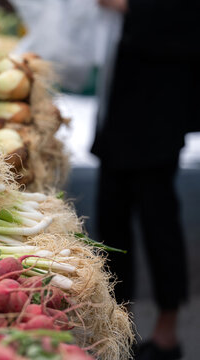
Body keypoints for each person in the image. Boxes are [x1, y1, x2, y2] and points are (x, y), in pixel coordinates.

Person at [92, 0, 200, 359]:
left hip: (159, 107)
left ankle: (168, 333)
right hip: (122, 99)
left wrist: (128, 7)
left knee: (158, 219)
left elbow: (185, 21)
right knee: (111, 217)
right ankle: (119, 327)